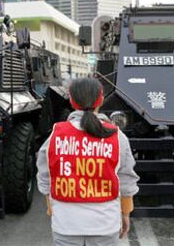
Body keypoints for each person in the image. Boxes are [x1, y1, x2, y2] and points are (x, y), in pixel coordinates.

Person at [36, 77, 139, 246]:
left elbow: (45, 176)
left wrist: (51, 208)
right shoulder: (117, 136)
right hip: (105, 225)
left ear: (71, 100)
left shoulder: (56, 134)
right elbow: (126, 181)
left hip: (66, 225)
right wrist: (125, 213)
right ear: (101, 99)